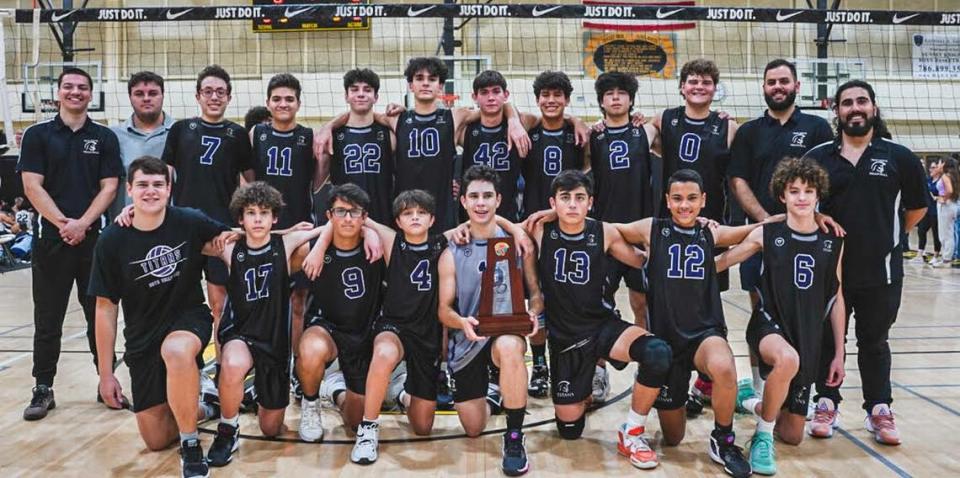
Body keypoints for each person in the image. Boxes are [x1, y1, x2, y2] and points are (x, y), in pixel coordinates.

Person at [611, 169, 761, 478]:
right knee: (674, 438)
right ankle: (684, 401)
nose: (684, 205)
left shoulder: (711, 233)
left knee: (723, 365)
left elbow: (756, 232)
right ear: (667, 201)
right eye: (677, 199)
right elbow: (609, 231)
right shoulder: (652, 229)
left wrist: (787, 219)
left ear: (703, 201)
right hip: (666, 344)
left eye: (692, 199)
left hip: (704, 334)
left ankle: (723, 439)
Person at [90, 156, 234, 478]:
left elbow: (230, 238)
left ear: (169, 190)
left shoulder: (189, 221)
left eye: (158, 185)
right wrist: (105, 374)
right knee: (155, 440)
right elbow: (104, 308)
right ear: (129, 190)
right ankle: (206, 404)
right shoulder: (111, 241)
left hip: (188, 319)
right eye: (142, 184)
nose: (150, 191)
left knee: (176, 350)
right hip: (142, 336)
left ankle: (191, 445)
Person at [803, 80, 927, 445]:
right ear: (836, 111)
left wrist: (888, 236)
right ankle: (826, 401)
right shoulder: (818, 158)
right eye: (846, 103)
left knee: (874, 341)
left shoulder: (898, 156)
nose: (854, 108)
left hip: (881, 270)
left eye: (861, 102)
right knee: (828, 338)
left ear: (873, 107)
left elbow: (918, 207)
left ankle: (879, 409)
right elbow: (799, 203)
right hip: (831, 271)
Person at [523, 169, 674, 469]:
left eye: (580, 198)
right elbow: (506, 231)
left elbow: (638, 259)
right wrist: (535, 293)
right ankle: (586, 386)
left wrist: (667, 241)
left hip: (602, 326)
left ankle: (631, 430)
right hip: (565, 339)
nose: (572, 205)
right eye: (565, 198)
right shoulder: (540, 229)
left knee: (658, 353)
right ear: (553, 202)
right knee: (569, 431)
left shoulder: (603, 232)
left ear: (590, 202)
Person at [714, 157, 846, 475]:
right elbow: (721, 262)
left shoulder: (833, 241)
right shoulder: (768, 234)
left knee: (793, 436)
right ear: (782, 196)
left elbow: (836, 299)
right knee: (787, 360)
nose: (801, 197)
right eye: (794, 190)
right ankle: (761, 437)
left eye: (808, 191)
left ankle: (748, 401)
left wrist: (839, 353)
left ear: (818, 196)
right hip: (768, 326)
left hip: (808, 335)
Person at [17, 66, 123, 420]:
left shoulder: (105, 137)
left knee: (100, 317)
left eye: (82, 87)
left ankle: (105, 382)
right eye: (68, 87)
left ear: (91, 94)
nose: (75, 92)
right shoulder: (37, 135)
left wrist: (83, 224)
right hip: (51, 241)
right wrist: (64, 223)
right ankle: (43, 388)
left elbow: (110, 187)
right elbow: (32, 186)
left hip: (94, 242)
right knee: (48, 319)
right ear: (58, 92)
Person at [727, 58, 833, 402]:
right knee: (761, 310)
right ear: (764, 87)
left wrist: (815, 214)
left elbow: (825, 178)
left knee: (807, 311)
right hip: (761, 235)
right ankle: (759, 388)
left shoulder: (817, 128)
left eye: (784, 81)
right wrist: (763, 219)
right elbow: (738, 179)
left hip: (806, 238)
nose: (777, 87)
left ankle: (802, 387)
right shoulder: (749, 132)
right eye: (771, 81)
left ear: (796, 86)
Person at [205, 182, 327, 467]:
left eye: (264, 213)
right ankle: (227, 428)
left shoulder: (283, 245)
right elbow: (193, 236)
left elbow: (327, 228)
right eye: (250, 213)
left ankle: (248, 393)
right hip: (241, 333)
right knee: (233, 362)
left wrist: (290, 234)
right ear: (240, 218)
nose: (257, 219)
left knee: (271, 429)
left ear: (274, 218)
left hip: (274, 343)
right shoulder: (229, 249)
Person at [438, 165, 542, 476]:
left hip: (504, 333)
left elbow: (535, 294)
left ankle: (513, 435)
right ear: (464, 202)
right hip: (468, 337)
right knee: (473, 427)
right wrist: (461, 322)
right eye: (474, 197)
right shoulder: (451, 246)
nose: (481, 203)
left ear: (499, 199)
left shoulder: (518, 244)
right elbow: (443, 309)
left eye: (487, 196)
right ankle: (499, 392)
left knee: (511, 348)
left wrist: (533, 312)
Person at [162, 65, 254, 343]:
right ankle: (188, 365)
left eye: (220, 92)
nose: (214, 97)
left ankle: (220, 368)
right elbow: (163, 178)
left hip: (221, 231)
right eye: (208, 91)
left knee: (220, 304)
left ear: (229, 97)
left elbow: (250, 184)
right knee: (177, 303)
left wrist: (247, 223)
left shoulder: (237, 134)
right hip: (183, 230)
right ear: (198, 96)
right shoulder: (180, 130)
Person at [588, 71, 659, 402]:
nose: (615, 98)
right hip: (605, 233)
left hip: (640, 231)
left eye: (622, 93)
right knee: (598, 303)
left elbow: (674, 124)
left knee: (642, 301)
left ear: (631, 100)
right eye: (609, 94)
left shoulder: (645, 131)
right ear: (601, 101)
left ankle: (646, 365)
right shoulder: (592, 137)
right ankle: (599, 370)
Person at [296, 183, 384, 442]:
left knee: (356, 422)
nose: (347, 218)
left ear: (365, 217)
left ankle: (334, 389)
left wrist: (371, 231)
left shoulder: (377, 248)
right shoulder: (312, 249)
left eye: (354, 212)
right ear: (329, 216)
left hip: (362, 333)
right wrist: (321, 242)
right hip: (328, 329)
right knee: (311, 350)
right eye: (340, 211)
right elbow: (274, 241)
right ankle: (310, 403)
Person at [250, 73, 323, 361]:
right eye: (277, 99)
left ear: (298, 103)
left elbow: (317, 181)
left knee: (298, 301)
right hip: (265, 230)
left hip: (301, 226)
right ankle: (263, 362)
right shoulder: (257, 134)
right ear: (267, 103)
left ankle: (294, 364)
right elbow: (249, 179)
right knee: (264, 300)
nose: (283, 103)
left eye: (289, 99)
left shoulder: (308, 137)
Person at [459, 71, 531, 223]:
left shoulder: (522, 123)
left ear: (506, 95)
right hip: (472, 217)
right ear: (474, 97)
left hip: (509, 216)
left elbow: (553, 118)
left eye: (496, 92)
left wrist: (575, 121)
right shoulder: (465, 130)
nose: (491, 98)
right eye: (484, 93)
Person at [109, 71, 174, 220]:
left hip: (170, 227)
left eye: (153, 93)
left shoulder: (180, 133)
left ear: (163, 96)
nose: (146, 99)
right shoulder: (112, 136)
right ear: (130, 98)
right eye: (139, 94)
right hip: (126, 225)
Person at [913, 158, 941, 264]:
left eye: (934, 167)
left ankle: (936, 255)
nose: (931, 170)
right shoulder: (928, 180)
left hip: (936, 211)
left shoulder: (941, 181)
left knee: (935, 233)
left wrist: (937, 197)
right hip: (927, 210)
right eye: (930, 168)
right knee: (921, 230)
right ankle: (920, 253)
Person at [933, 157, 959, 268]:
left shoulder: (945, 176)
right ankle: (947, 257)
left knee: (945, 234)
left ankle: (946, 259)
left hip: (947, 206)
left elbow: (949, 190)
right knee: (949, 232)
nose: (939, 165)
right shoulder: (955, 176)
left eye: (940, 163)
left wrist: (943, 198)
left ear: (945, 164)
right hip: (954, 205)